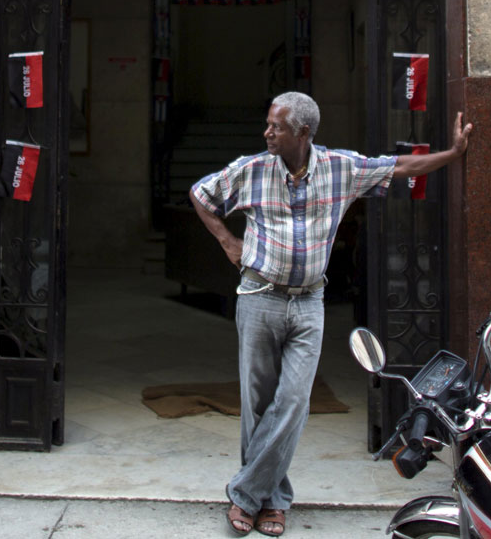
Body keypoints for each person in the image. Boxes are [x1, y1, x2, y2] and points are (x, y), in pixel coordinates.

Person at [192, 93, 473, 538]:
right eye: (267, 124)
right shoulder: (251, 169)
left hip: (308, 305)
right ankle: (274, 502)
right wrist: (228, 242)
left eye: (276, 127)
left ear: (303, 133)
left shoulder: (341, 168)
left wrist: (454, 155)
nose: (267, 132)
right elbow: (201, 194)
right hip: (260, 297)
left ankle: (244, 495)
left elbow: (399, 167)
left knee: (294, 402)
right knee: (259, 404)